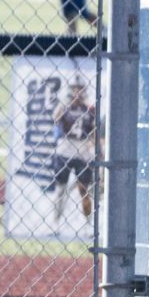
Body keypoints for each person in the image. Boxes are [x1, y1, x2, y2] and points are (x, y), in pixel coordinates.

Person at [51, 76, 97, 223]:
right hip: (65, 147)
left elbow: (95, 129)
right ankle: (55, 221)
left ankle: (89, 222)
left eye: (80, 88)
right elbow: (55, 118)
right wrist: (65, 104)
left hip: (82, 149)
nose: (77, 92)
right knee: (60, 189)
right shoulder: (64, 106)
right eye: (74, 88)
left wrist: (95, 146)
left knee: (84, 189)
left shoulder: (89, 108)